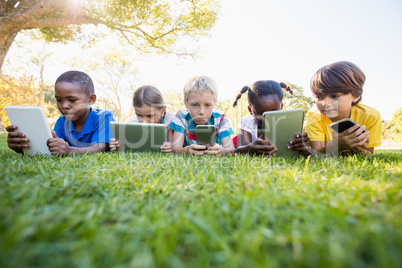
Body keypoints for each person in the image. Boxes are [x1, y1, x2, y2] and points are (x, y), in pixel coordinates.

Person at [7, 70, 114, 155]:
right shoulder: (62, 121)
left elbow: (100, 149)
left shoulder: (103, 116)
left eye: (72, 100)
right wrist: (22, 147)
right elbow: (51, 149)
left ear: (91, 99)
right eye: (59, 100)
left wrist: (68, 150)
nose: (64, 106)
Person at [306, 61, 382, 154]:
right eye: (319, 97)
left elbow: (368, 153)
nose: (325, 103)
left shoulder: (371, 115)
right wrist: (336, 144)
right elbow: (317, 154)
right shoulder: (314, 116)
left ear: (355, 95)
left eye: (334, 96)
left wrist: (358, 149)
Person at [233, 80, 311, 156]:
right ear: (250, 110)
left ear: (281, 107)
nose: (266, 119)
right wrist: (251, 149)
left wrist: (303, 148)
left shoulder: (288, 121)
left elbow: (297, 148)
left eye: (273, 112)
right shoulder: (246, 121)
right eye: (260, 113)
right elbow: (239, 150)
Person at [170, 75, 235, 155]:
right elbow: (175, 150)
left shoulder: (220, 118)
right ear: (186, 103)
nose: (201, 112)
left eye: (207, 105)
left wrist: (221, 151)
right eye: (195, 105)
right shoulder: (181, 117)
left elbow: (231, 149)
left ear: (214, 103)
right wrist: (186, 151)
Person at [110, 85, 174, 153]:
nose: (144, 122)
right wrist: (117, 145)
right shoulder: (135, 121)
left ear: (163, 110)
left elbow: (176, 149)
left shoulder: (171, 120)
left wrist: (171, 148)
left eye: (150, 116)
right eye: (139, 115)